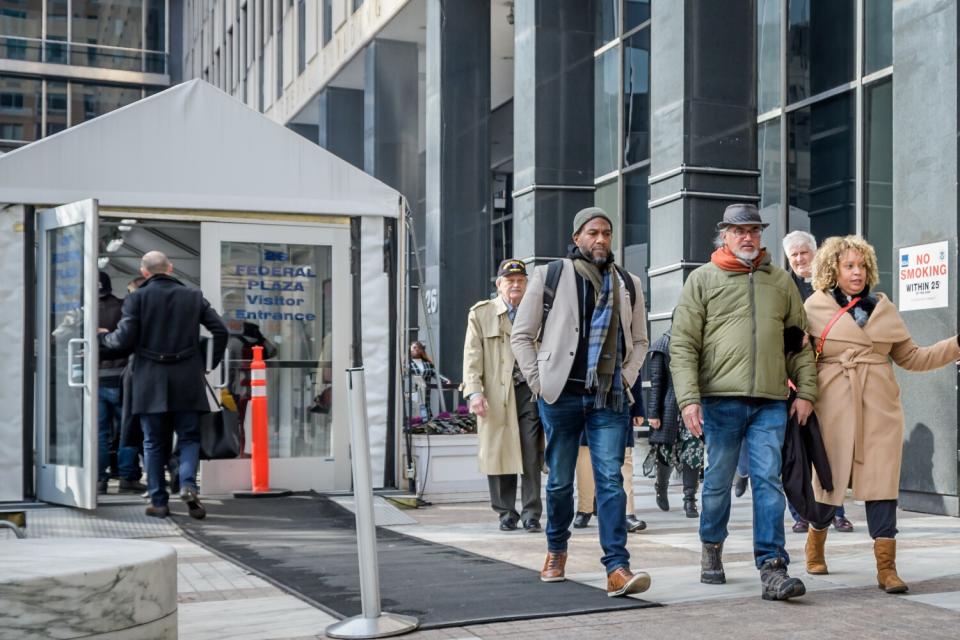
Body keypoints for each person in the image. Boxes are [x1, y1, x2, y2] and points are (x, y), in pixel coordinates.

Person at [670, 203, 817, 601]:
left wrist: (805, 392)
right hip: (720, 401)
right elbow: (682, 345)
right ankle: (712, 546)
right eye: (739, 231)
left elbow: (799, 344)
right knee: (717, 482)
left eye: (753, 230)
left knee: (768, 481)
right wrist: (688, 400)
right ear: (725, 236)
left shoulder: (780, 282)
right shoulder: (702, 280)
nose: (748, 237)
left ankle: (772, 566)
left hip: (770, 400)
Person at [802, 236, 960, 593]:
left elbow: (914, 358)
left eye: (862, 266)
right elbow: (798, 360)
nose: (857, 273)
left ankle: (886, 568)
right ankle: (816, 540)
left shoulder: (884, 310)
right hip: (834, 410)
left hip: (880, 411)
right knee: (827, 484)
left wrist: (955, 345)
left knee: (882, 485)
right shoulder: (814, 308)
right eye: (849, 266)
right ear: (834, 270)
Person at [512, 207, 651, 597]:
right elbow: (521, 335)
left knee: (610, 480)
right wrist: (539, 383)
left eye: (607, 232)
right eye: (593, 233)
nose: (601, 239)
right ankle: (556, 550)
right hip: (561, 396)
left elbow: (640, 340)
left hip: (609, 398)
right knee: (559, 483)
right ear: (577, 238)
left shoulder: (629, 283)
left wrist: (625, 377)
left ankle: (617, 567)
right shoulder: (550, 275)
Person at [100, 251, 228, 519]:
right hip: (187, 379)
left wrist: (100, 343)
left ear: (144, 272)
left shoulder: (136, 298)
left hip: (149, 380)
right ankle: (188, 485)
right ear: (169, 268)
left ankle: (159, 502)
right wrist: (207, 363)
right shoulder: (193, 296)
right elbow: (220, 331)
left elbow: (122, 340)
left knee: (153, 442)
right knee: (190, 438)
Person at [462, 259, 544, 532]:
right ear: (499, 285)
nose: (516, 285)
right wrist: (475, 392)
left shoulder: (537, 312)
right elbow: (471, 356)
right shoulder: (481, 313)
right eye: (510, 281)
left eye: (521, 281)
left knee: (532, 452)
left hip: (529, 391)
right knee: (500, 451)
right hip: (496, 394)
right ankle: (506, 512)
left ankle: (532, 513)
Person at [782, 230, 854, 534]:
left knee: (829, 448)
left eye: (804, 253)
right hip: (792, 380)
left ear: (815, 254)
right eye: (794, 255)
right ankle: (799, 513)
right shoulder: (784, 286)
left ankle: (836, 510)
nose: (800, 259)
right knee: (795, 451)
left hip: (827, 379)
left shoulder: (831, 288)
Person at [646, 317, 703, 519]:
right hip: (669, 407)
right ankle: (661, 487)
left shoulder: (698, 341)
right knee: (666, 453)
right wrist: (653, 414)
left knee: (693, 452)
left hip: (694, 408)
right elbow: (657, 383)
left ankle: (690, 500)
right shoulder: (662, 344)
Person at [96, 271, 145, 495]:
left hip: (92, 377)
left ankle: (98, 479)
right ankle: (127, 477)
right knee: (128, 430)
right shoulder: (124, 306)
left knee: (99, 433)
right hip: (121, 377)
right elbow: (130, 339)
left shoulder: (82, 310)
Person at [409, 341, 446, 420]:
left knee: (425, 410)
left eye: (417, 348)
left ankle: (425, 425)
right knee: (413, 411)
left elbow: (434, 373)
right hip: (412, 393)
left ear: (422, 350)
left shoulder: (427, 363)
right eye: (414, 347)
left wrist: (445, 380)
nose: (415, 350)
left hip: (425, 393)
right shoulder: (407, 363)